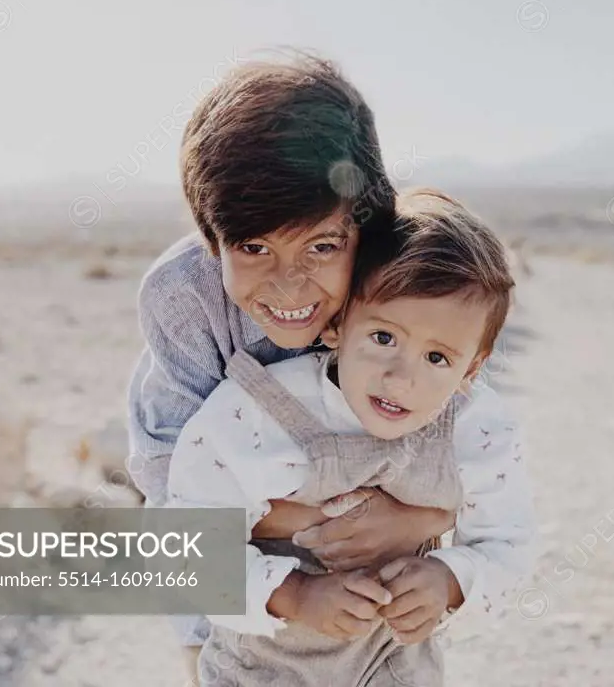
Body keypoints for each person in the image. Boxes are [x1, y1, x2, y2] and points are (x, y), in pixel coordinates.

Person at [125, 55, 515, 678]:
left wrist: (429, 518)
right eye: (252, 247)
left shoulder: (395, 263)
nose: (290, 283)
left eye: (323, 245)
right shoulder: (184, 296)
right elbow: (169, 477)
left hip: (376, 613)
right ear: (212, 238)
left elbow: (451, 421)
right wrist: (327, 525)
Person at [166, 188, 535, 686]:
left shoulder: (476, 429)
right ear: (338, 326)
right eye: (383, 338)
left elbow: (509, 546)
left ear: (472, 367)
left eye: (437, 358)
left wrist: (449, 581)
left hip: (394, 668)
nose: (401, 379)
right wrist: (295, 594)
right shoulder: (257, 412)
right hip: (262, 670)